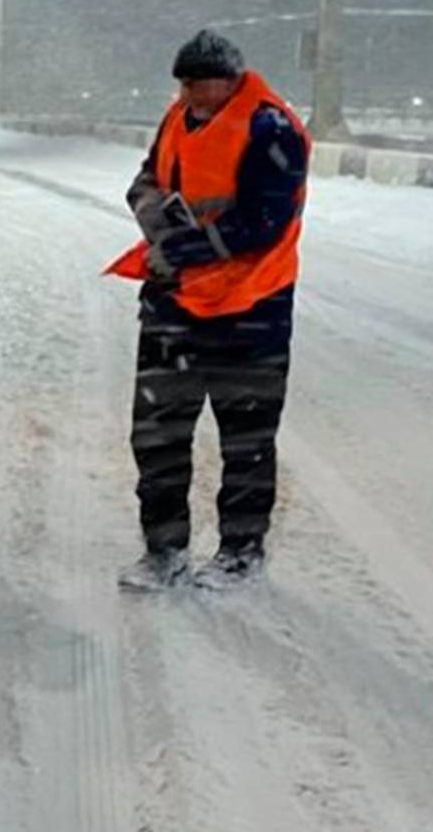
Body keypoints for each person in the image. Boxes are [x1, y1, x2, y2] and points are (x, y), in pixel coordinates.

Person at [107, 31, 311, 591]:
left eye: (198, 84)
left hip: (250, 307)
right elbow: (145, 180)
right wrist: (155, 218)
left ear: (229, 80)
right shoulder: (178, 117)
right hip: (175, 302)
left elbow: (264, 220)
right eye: (183, 84)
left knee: (245, 438)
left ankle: (241, 553)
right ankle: (163, 550)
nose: (188, 94)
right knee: (158, 433)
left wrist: (188, 246)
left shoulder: (271, 127)